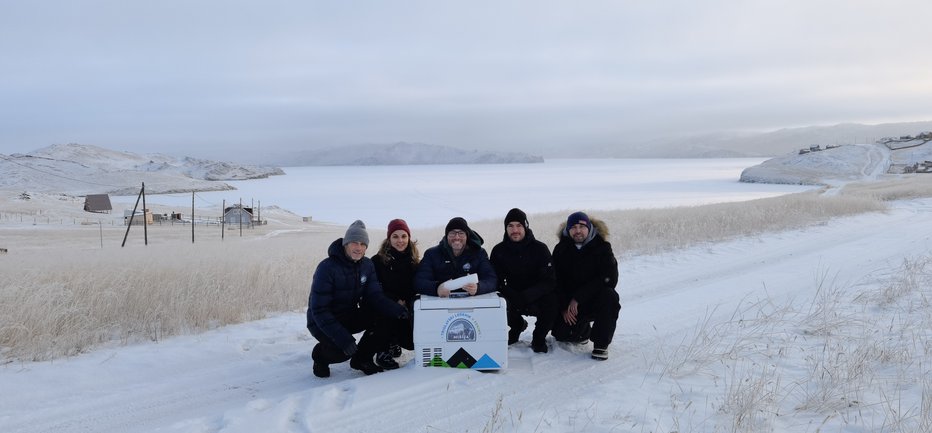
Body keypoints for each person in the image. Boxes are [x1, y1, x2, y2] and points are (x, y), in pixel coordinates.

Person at [306, 220, 408, 378]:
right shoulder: (327, 268)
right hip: (321, 321)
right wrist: (343, 338)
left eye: (362, 244)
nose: (358, 248)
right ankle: (320, 356)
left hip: (348, 315)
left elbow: (375, 296)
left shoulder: (366, 265)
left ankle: (362, 359)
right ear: (346, 244)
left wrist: (398, 311)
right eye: (354, 242)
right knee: (342, 351)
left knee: (382, 316)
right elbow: (319, 310)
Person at [551, 211, 620, 360]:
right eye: (573, 227)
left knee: (610, 296)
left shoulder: (602, 248)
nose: (577, 231)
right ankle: (582, 331)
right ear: (568, 230)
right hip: (569, 305)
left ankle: (601, 345)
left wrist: (578, 297)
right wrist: (564, 306)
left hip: (593, 300)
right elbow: (555, 281)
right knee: (562, 336)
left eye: (581, 226)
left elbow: (609, 278)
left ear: (589, 228)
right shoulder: (560, 249)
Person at [490, 208, 559, 353]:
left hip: (536, 296)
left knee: (553, 300)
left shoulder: (540, 249)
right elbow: (495, 280)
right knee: (495, 301)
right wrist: (511, 293)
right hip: (512, 296)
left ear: (525, 226)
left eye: (519, 225)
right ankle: (516, 326)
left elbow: (550, 281)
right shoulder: (498, 250)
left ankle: (539, 337)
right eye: (510, 226)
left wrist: (529, 295)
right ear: (506, 228)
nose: (515, 230)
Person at [371, 218, 420, 370]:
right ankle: (382, 350)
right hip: (385, 304)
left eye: (404, 236)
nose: (400, 240)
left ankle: (395, 341)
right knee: (385, 310)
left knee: (411, 343)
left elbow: (417, 285)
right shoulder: (377, 261)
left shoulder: (415, 261)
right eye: (395, 236)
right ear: (389, 239)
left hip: (406, 306)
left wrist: (407, 301)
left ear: (409, 238)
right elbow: (374, 289)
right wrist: (394, 300)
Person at [415, 217, 497, 298]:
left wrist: (478, 287)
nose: (457, 237)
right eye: (452, 233)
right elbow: (419, 281)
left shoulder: (479, 253)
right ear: (447, 236)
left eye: (461, 233)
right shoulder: (432, 254)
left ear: (467, 236)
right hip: (440, 304)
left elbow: (492, 280)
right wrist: (436, 288)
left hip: (472, 303)